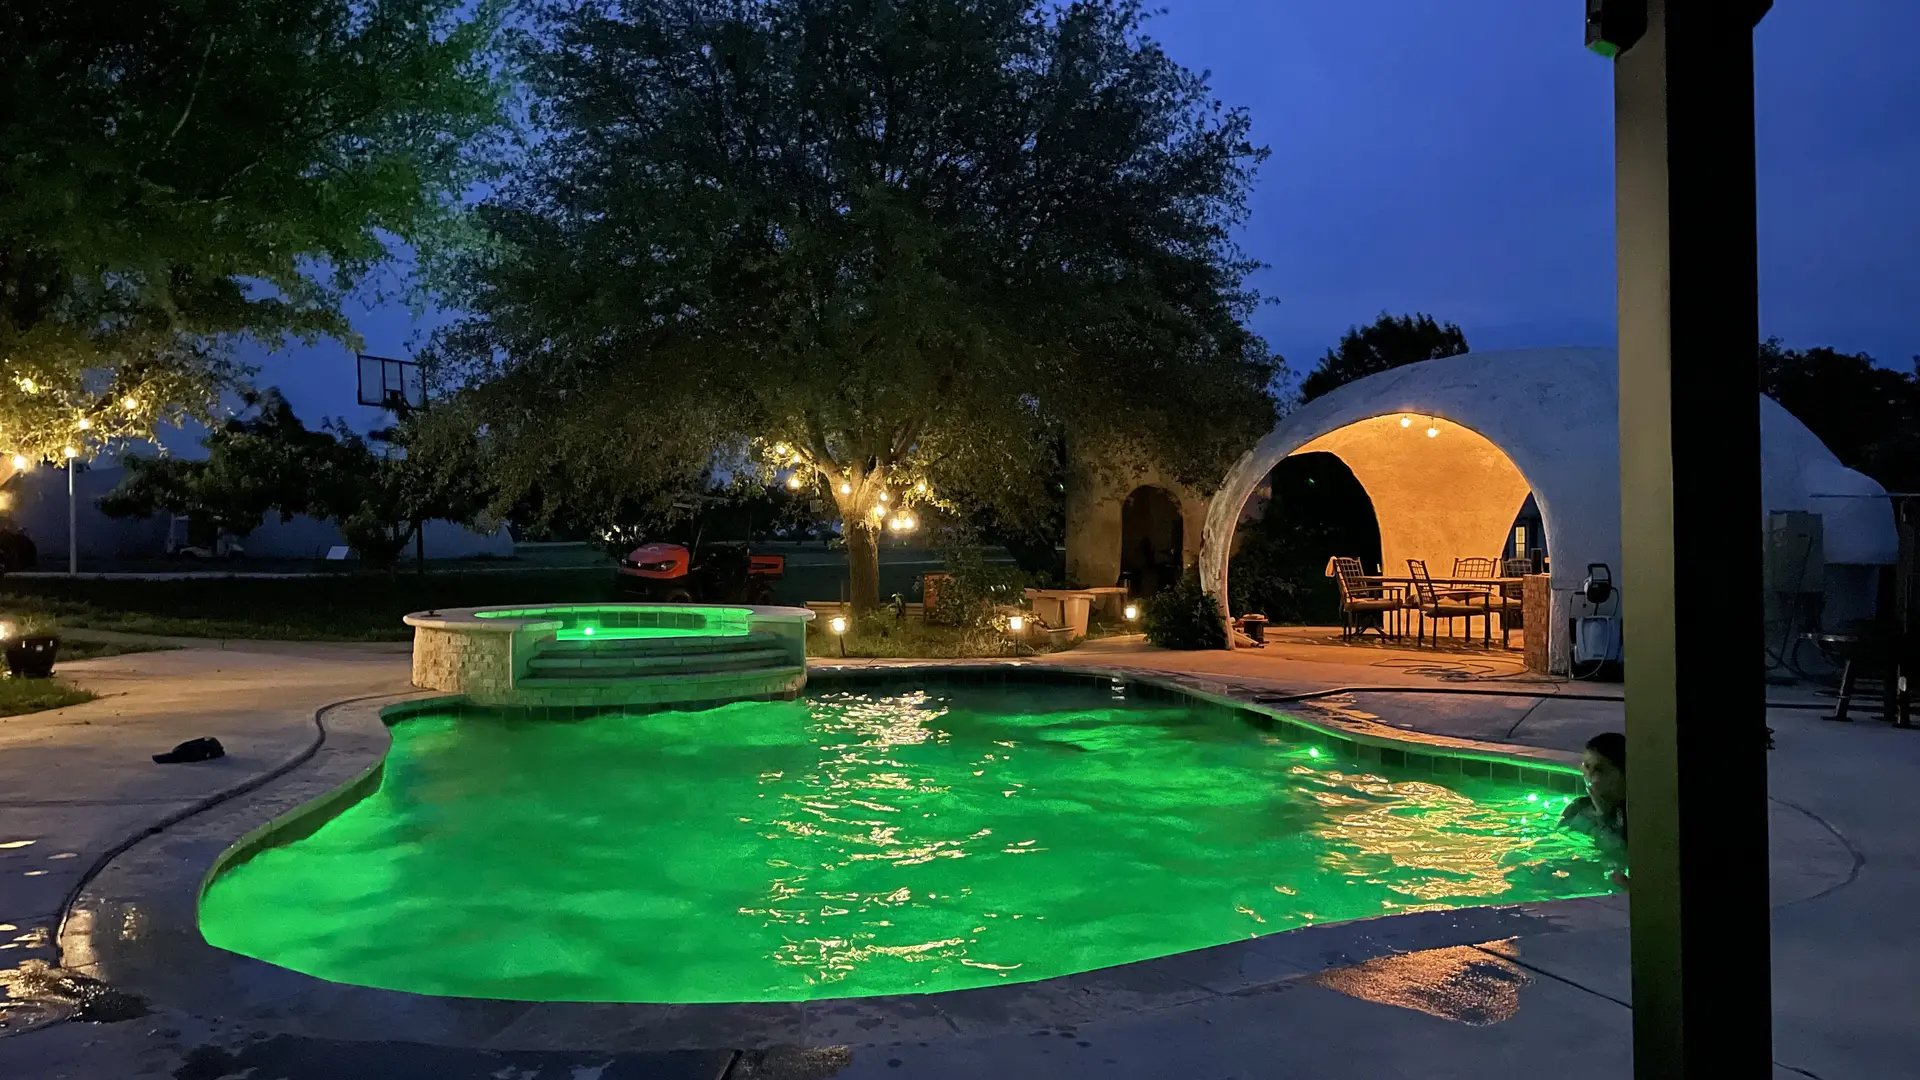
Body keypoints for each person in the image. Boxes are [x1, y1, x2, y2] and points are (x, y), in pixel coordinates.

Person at [1560, 731, 1627, 847]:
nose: (1589, 774)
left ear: (1623, 774)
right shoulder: (1578, 806)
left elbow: (1618, 855)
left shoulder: (1632, 820)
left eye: (1599, 769)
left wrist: (1603, 816)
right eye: (1586, 766)